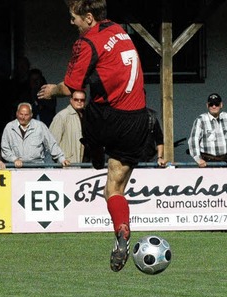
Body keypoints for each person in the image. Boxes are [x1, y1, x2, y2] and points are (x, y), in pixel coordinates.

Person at [37, 0, 153, 272]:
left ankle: (95, 149)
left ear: (88, 18)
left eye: (74, 17)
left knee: (84, 104)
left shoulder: (86, 43)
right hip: (139, 118)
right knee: (114, 188)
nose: (71, 22)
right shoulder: (117, 29)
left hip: (111, 118)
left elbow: (70, 88)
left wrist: (51, 89)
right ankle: (121, 230)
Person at [187, 93, 227, 167]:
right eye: (211, 104)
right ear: (207, 105)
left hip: (225, 161)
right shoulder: (201, 120)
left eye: (216, 104)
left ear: (221, 105)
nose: (214, 106)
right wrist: (198, 159)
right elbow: (193, 140)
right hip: (207, 162)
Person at [0, 102, 71, 168]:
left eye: (26, 115)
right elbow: (5, 148)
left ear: (31, 115)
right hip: (16, 168)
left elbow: (51, 144)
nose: (23, 117)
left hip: (37, 167)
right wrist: (14, 159)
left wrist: (62, 159)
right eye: (21, 114)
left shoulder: (40, 126)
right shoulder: (10, 127)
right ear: (17, 113)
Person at [49, 90, 86, 164]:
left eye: (82, 100)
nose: (79, 102)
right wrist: (61, 159)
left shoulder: (88, 116)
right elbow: (52, 143)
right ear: (71, 100)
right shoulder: (62, 116)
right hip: (68, 163)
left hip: (85, 162)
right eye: (76, 99)